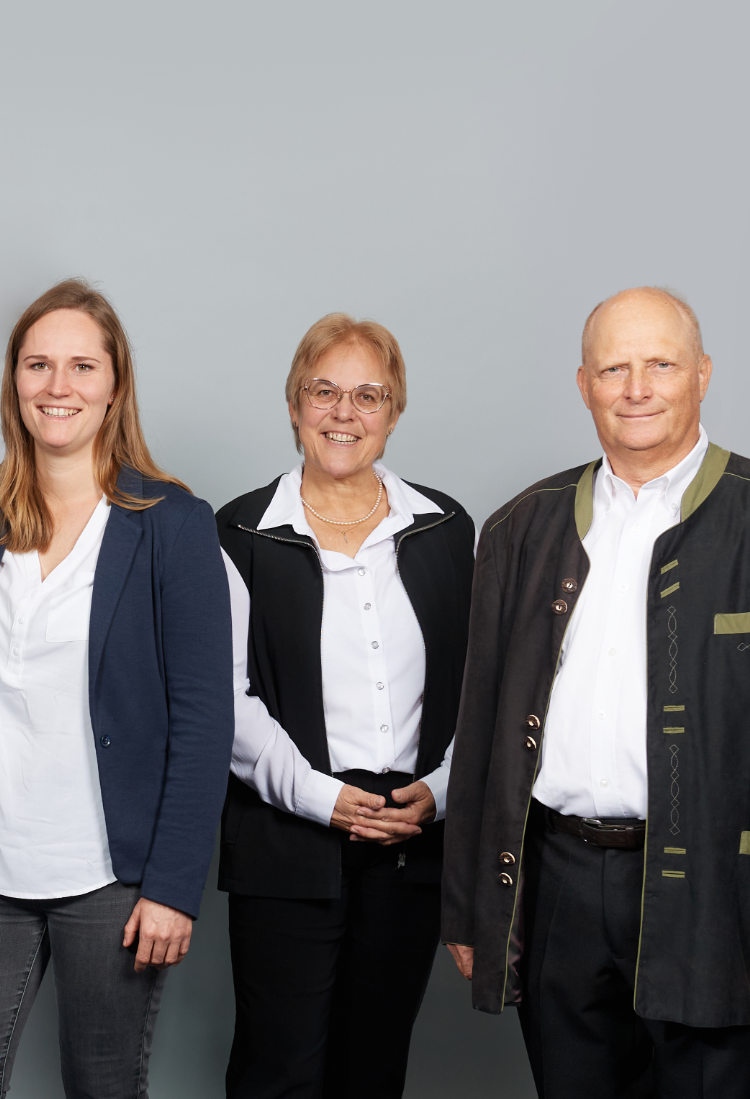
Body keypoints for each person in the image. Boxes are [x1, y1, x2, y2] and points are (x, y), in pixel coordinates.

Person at [441, 288, 750, 1098]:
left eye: (661, 364)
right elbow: (483, 727)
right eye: (614, 369)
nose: (637, 388)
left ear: (702, 374)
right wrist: (469, 907)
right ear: (583, 385)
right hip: (557, 885)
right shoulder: (519, 528)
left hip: (718, 894)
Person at [0, 279, 233, 1099]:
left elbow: (203, 720)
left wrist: (173, 886)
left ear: (115, 384)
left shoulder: (173, 523)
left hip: (111, 877)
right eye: (38, 364)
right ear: (14, 380)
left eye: (83, 366)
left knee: (102, 1087)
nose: (58, 385)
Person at [215, 314, 474, 1099]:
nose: (344, 413)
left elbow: (481, 685)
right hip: (285, 834)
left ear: (394, 412)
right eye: (324, 391)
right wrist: (320, 797)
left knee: (373, 1071)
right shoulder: (237, 531)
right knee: (279, 1072)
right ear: (294, 403)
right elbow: (225, 697)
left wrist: (442, 791)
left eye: (368, 395)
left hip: (409, 836)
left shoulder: (445, 528)